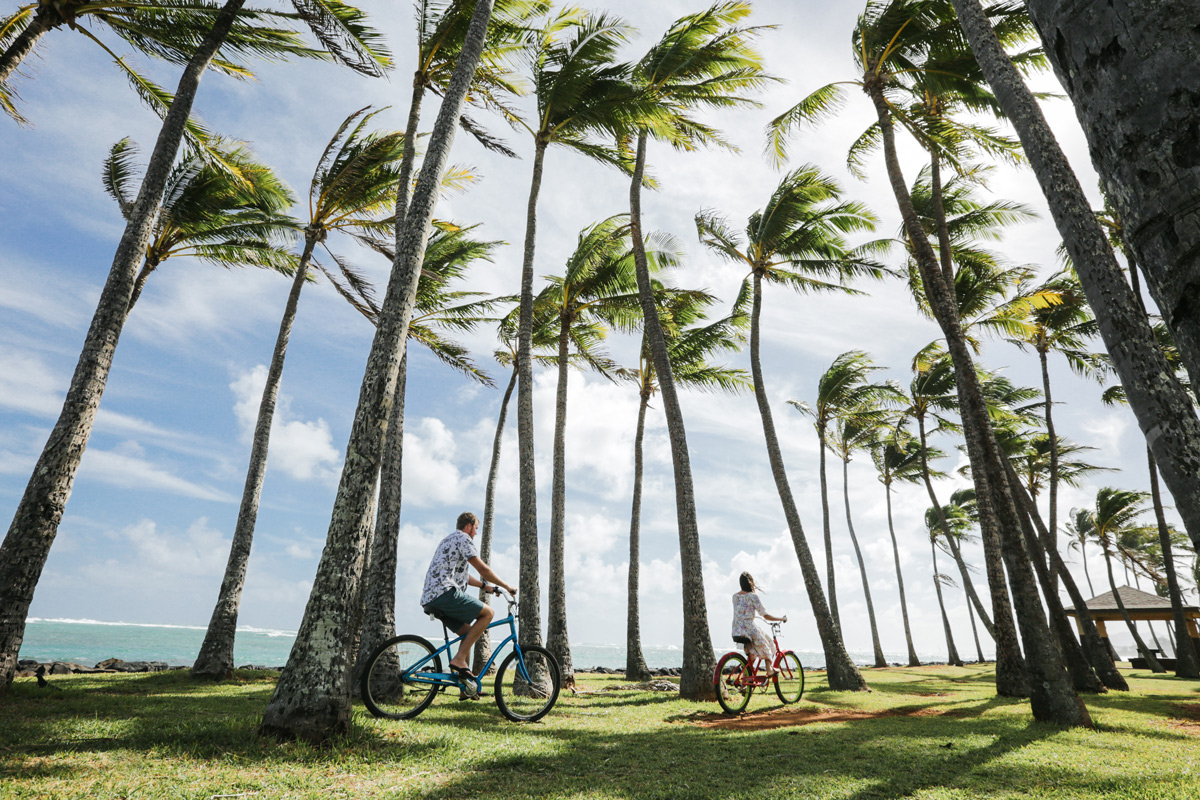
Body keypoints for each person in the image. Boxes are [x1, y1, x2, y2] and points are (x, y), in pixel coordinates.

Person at [419, 511, 517, 684]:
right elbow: (483, 569)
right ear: (469, 526)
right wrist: (507, 586)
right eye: (476, 528)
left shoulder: (448, 540)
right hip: (444, 592)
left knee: (467, 634)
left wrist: (486, 587)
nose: (476, 533)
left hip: (431, 597)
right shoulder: (464, 538)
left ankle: (466, 688)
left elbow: (463, 576)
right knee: (488, 613)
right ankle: (459, 659)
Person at [731, 572, 787, 675]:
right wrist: (781, 618)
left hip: (736, 629)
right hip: (748, 628)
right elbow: (765, 615)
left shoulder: (735, 596)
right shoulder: (753, 597)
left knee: (752, 654)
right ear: (751, 582)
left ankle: (745, 679)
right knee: (767, 644)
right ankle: (769, 670)